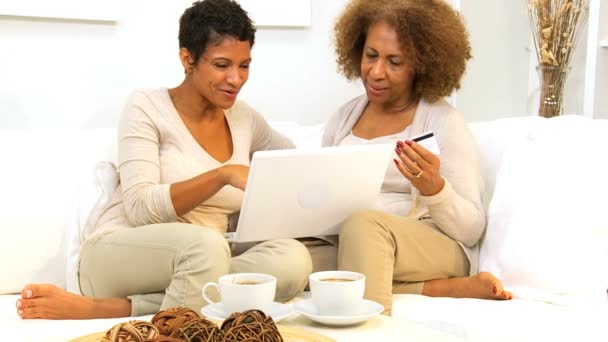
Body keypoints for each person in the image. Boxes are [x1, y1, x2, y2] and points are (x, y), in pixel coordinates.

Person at [16, 0, 312, 319]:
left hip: (205, 259)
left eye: (245, 65)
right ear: (188, 59)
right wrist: (222, 175)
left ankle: (121, 308)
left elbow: (292, 163)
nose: (236, 79)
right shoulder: (146, 107)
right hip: (119, 253)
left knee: (293, 258)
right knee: (207, 249)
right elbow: (140, 207)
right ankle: (138, 308)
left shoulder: (244, 119)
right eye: (222, 65)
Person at [320, 0, 512, 312]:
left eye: (394, 62)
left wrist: (434, 188)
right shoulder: (344, 118)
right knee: (296, 258)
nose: (376, 72)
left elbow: (471, 229)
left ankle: (370, 329)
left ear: (421, 65)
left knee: (362, 227)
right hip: (356, 240)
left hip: (430, 242)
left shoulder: (442, 121)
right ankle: (439, 289)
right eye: (371, 56)